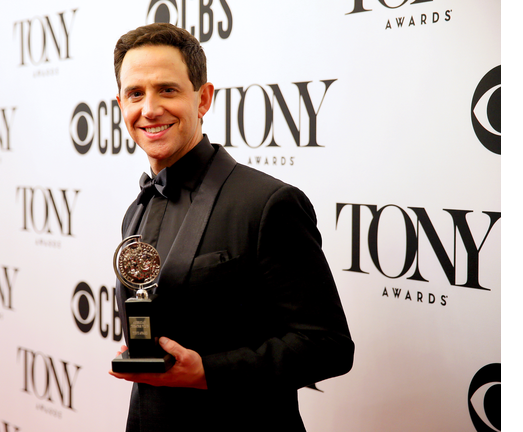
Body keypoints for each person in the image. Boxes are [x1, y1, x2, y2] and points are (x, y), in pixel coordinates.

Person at [109, 23, 354, 432]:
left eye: (167, 89)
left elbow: (328, 346)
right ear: (121, 104)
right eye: (136, 93)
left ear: (202, 98)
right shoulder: (137, 209)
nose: (149, 109)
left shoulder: (268, 203)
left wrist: (207, 370)